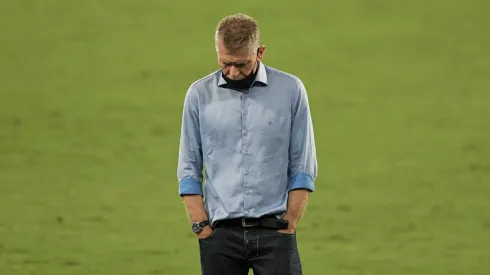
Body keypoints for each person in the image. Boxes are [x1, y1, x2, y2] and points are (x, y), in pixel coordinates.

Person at [177, 13, 318, 275]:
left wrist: (290, 222)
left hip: (275, 231)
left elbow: (303, 163)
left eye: (242, 64)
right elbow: (188, 167)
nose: (233, 72)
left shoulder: (291, 90)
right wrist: (201, 226)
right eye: (225, 63)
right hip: (220, 236)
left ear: (260, 52)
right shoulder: (198, 95)